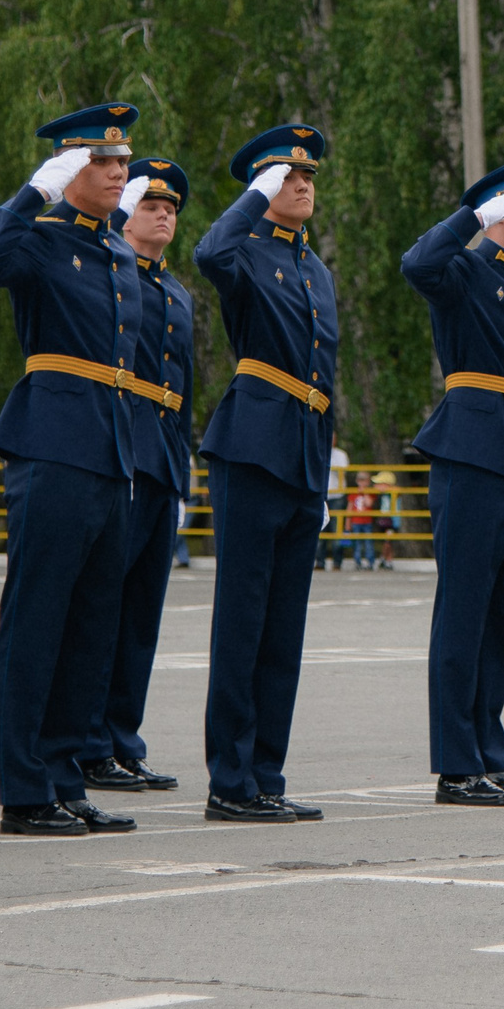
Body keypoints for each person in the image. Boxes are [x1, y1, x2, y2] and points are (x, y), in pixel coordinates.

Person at [0, 102, 146, 839]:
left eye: (122, 162)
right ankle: (25, 788)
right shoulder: (36, 239)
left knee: (92, 625)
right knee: (37, 619)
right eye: (104, 162)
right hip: (53, 440)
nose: (119, 173)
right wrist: (30, 193)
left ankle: (67, 777)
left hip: (110, 446)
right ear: (71, 168)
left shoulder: (118, 250)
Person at [190, 127, 337, 822]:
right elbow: (207, 251)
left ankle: (266, 775)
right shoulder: (243, 250)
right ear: (258, 188)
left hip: (303, 452)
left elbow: (324, 374)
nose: (303, 185)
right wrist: (253, 195)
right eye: (287, 177)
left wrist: (322, 474)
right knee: (243, 621)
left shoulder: (318, 270)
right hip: (252, 445)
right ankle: (229, 779)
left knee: (285, 627)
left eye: (308, 177)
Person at [402, 158, 504, 807]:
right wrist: (471, 216)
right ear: (498, 211)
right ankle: (456, 765)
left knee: (501, 619)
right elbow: (416, 265)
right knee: (462, 613)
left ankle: (492, 756)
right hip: (469, 452)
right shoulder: (462, 271)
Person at [81, 158, 197, 796]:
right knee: (104, 604)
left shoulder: (175, 289)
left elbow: (184, 388)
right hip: (120, 448)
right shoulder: (110, 274)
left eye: (171, 207)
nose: (164, 214)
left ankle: (123, 739)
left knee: (141, 615)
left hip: (161, 457)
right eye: (152, 204)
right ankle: (90, 742)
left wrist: (180, 473)